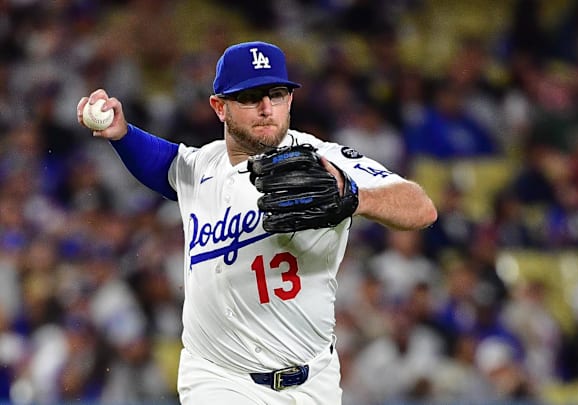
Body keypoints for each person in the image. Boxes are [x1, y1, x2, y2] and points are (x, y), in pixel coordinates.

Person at [75, 41, 437, 404]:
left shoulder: (322, 161)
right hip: (218, 376)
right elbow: (165, 164)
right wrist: (122, 134)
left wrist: (354, 196)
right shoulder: (203, 166)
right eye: (250, 98)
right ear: (220, 107)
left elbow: (421, 208)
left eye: (277, 95)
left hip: (314, 379)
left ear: (290, 101)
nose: (267, 109)